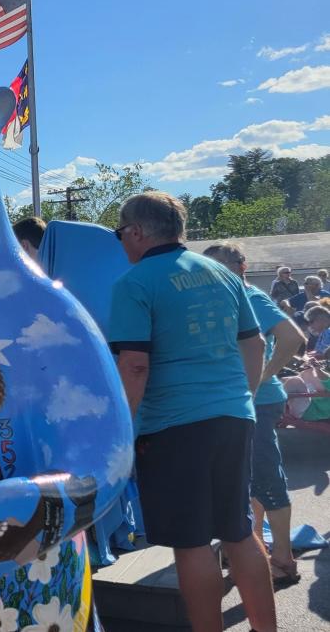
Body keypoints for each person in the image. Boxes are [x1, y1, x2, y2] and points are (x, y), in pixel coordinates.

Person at [109, 192, 276, 632]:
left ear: (137, 232)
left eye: (120, 232)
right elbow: (255, 343)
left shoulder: (136, 282)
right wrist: (244, 397)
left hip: (173, 425)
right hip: (234, 415)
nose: (121, 241)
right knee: (239, 530)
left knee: (192, 542)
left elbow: (134, 364)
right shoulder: (221, 272)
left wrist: (120, 430)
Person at [204, 242, 305, 585]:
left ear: (241, 267)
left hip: (259, 402)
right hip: (243, 400)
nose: (214, 275)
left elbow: (292, 337)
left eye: (221, 267)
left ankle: (283, 559)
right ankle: (258, 548)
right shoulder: (228, 298)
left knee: (267, 477)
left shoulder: (251, 297)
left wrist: (265, 375)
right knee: (249, 481)